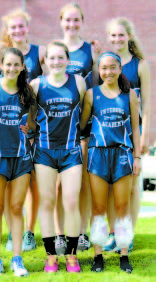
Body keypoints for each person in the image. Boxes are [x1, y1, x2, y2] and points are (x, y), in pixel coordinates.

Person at [0, 8, 45, 252]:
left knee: (27, 191)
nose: (18, 30)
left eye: (21, 26)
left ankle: (27, 233)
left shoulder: (40, 53)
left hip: (27, 135)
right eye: (13, 27)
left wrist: (32, 126)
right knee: (1, 201)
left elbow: (60, 60)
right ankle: (9, 239)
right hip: (3, 133)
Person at [80, 51, 141, 273]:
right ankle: (98, 256)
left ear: (119, 69)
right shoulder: (90, 94)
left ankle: (124, 255)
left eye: (112, 67)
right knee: (98, 207)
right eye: (103, 68)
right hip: (98, 155)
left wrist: (137, 156)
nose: (108, 72)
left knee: (122, 207)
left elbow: (135, 127)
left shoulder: (130, 95)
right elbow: (82, 124)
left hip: (123, 155)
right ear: (99, 70)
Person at [31, 41, 86, 273]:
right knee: (46, 202)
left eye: (60, 57)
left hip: (71, 150)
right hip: (44, 152)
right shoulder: (36, 85)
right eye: (51, 58)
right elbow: (30, 117)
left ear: (67, 59)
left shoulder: (78, 82)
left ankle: (71, 256)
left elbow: (83, 114)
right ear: (45, 61)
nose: (56, 61)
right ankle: (51, 256)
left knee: (71, 201)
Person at [0, 47, 36, 277]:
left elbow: (33, 123)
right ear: (1, 65)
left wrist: (30, 128)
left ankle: (17, 258)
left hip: (22, 157)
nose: (12, 68)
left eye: (17, 64)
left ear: (22, 67)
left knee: (16, 207)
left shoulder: (28, 91)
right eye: (8, 64)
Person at [54, 3, 101, 254]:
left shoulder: (90, 51)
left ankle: (81, 232)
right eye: (67, 20)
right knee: (59, 185)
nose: (71, 24)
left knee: (80, 182)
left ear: (82, 22)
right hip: (56, 129)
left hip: (81, 127)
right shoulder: (53, 51)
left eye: (76, 20)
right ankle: (60, 234)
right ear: (61, 22)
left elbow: (93, 89)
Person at [103, 18, 150, 253]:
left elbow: (148, 107)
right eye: (113, 36)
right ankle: (113, 233)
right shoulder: (106, 64)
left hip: (133, 134)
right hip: (110, 133)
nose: (117, 39)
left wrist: (144, 138)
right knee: (112, 186)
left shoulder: (140, 65)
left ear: (129, 36)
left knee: (132, 187)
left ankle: (127, 233)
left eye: (121, 35)